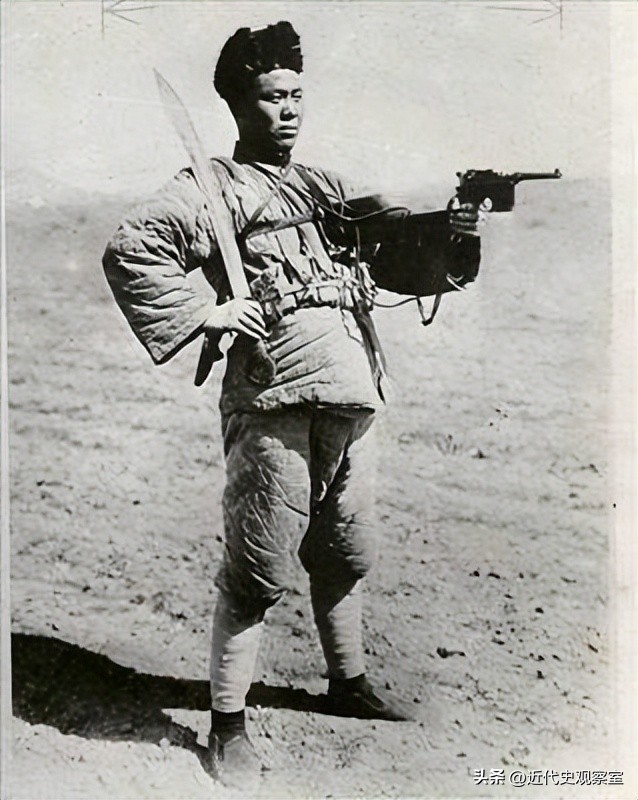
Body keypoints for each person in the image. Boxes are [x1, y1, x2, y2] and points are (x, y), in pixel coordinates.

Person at [103, 20, 481, 785]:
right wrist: (210, 313)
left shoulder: (326, 188)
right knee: (258, 564)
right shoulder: (209, 190)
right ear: (239, 104)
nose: (289, 110)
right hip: (273, 397)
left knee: (346, 549)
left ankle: (348, 685)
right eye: (273, 97)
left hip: (353, 393)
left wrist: (458, 232)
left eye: (297, 95)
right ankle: (227, 725)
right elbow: (131, 250)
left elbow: (397, 258)